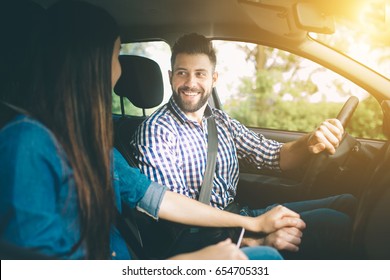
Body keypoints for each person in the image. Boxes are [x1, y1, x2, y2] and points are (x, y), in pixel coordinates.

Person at [0, 1, 304, 260]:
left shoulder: (93, 145)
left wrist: (252, 224)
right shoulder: (26, 145)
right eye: (117, 56)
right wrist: (186, 263)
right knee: (268, 258)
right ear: (92, 62)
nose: (120, 72)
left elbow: (160, 199)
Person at [132, 33, 357, 259]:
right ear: (171, 76)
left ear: (214, 79)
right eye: (182, 73)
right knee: (335, 224)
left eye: (200, 74)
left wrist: (310, 142)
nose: (191, 83)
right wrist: (249, 239)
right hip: (207, 239)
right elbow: (175, 218)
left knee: (347, 203)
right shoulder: (156, 131)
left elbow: (274, 155)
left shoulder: (220, 121)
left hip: (240, 217)